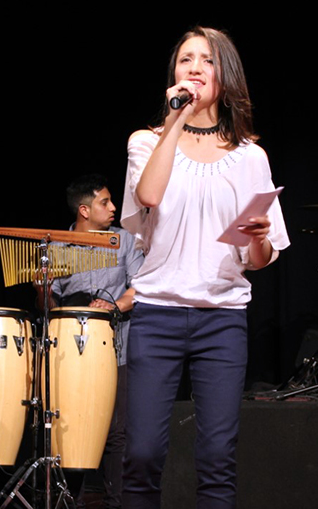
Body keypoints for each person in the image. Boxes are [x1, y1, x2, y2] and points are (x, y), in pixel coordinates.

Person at [119, 27, 289, 509]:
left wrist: (257, 240)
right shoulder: (144, 141)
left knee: (216, 456)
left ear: (225, 74)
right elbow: (148, 196)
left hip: (222, 319)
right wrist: (175, 121)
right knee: (144, 452)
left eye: (206, 60)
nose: (194, 67)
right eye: (185, 59)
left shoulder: (249, 156)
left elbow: (260, 258)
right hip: (158, 313)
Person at [35, 173, 143, 509]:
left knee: (116, 432)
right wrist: (41, 288)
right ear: (84, 210)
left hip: (115, 346)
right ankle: (70, 501)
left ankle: (117, 503)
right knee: (71, 429)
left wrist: (113, 305)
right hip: (70, 351)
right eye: (104, 202)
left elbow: (140, 287)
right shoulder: (54, 246)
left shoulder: (124, 241)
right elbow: (47, 306)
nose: (113, 208)